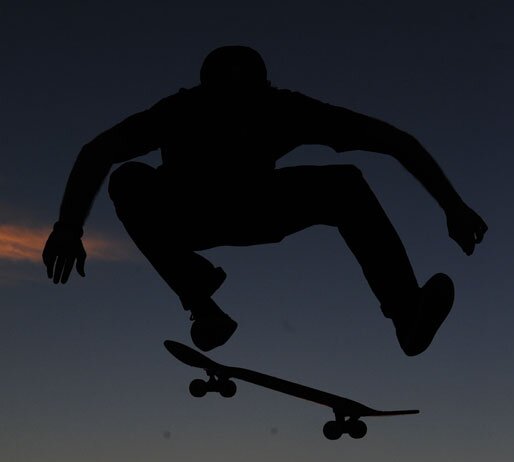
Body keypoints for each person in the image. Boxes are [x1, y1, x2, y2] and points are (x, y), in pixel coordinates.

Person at [42, 45, 487, 354]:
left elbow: (394, 140)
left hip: (232, 211)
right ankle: (205, 309)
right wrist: (67, 227)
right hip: (207, 213)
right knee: (130, 178)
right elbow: (397, 141)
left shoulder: (258, 108)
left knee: (345, 183)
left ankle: (407, 314)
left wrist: (453, 204)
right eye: (226, 100)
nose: (234, 110)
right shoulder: (204, 109)